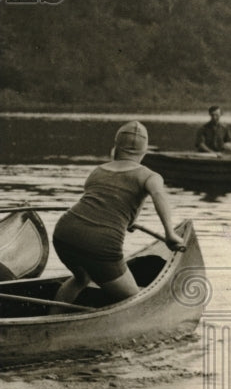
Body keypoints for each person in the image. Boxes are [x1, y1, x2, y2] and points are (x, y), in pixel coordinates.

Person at [52, 121, 184, 308]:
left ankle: (52, 316)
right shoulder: (149, 176)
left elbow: (103, 203)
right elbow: (158, 195)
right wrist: (170, 233)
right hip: (101, 243)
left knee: (81, 278)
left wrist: (128, 220)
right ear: (144, 152)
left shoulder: (97, 172)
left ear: (114, 149)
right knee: (136, 301)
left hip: (64, 233)